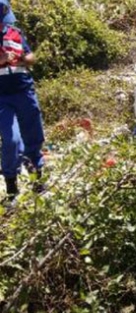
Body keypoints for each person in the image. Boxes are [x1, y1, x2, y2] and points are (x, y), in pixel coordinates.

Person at [0, 0, 46, 202]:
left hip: (25, 91)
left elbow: (30, 57)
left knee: (33, 137)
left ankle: (38, 181)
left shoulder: (15, 32)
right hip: (3, 97)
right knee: (11, 140)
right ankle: (11, 187)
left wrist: (22, 59)